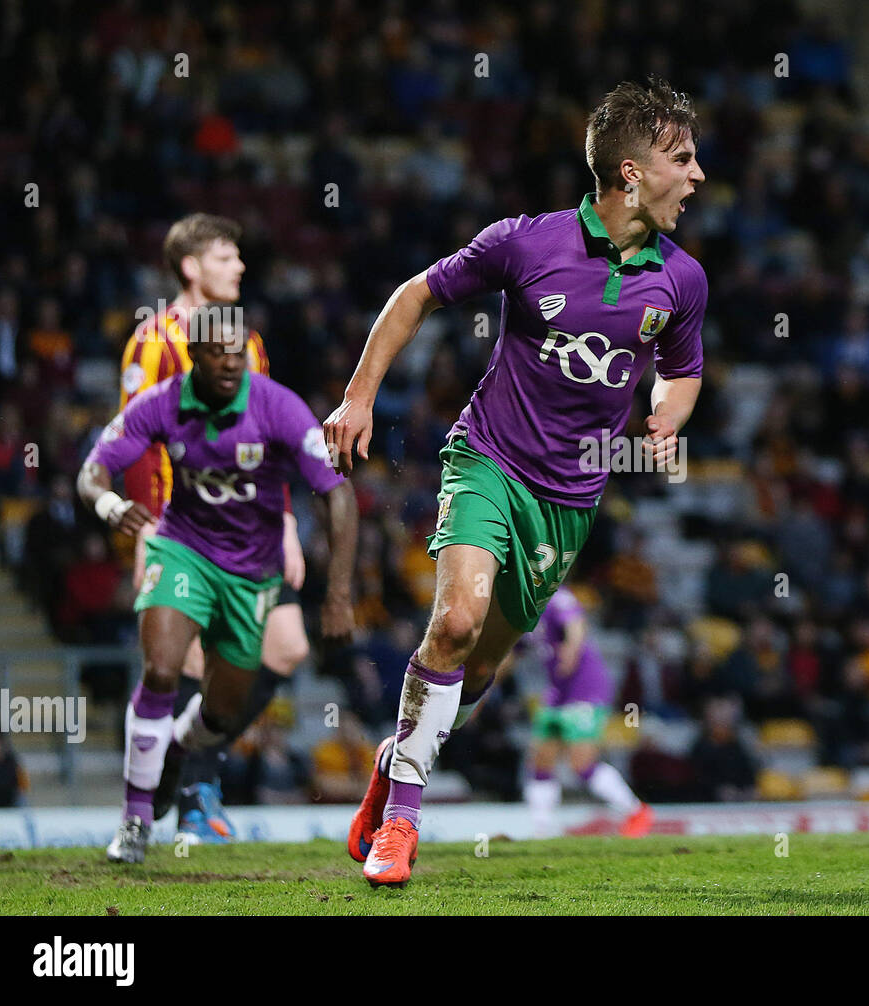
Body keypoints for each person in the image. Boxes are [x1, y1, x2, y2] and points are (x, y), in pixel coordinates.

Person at [327, 76, 706, 886]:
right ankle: (402, 826)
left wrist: (668, 417)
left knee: (479, 672)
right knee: (456, 623)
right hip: (488, 460)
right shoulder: (524, 243)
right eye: (683, 158)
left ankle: (398, 760)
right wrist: (359, 397)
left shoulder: (682, 281)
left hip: (569, 502)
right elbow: (413, 297)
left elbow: (682, 369)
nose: (699, 174)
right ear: (632, 174)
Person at [78, 312, 357, 863]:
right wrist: (110, 506)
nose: (232, 361)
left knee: (222, 712)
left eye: (239, 351)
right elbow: (93, 469)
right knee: (160, 669)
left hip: (253, 574)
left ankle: (179, 750)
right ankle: (135, 820)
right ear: (195, 356)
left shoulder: (278, 406)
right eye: (217, 351)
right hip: (182, 550)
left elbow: (337, 494)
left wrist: (339, 593)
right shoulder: (161, 402)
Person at [118, 213, 312, 842]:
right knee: (191, 662)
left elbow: (267, 438)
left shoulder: (245, 342)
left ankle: (184, 755)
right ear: (191, 267)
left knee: (287, 647)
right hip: (185, 532)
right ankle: (197, 797)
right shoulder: (153, 341)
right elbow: (137, 446)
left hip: (253, 529)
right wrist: (146, 530)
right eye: (227, 257)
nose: (240, 267)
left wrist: (284, 520)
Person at [523, 585, 653, 838]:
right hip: (558, 692)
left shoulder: (557, 596)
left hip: (585, 688)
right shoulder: (519, 610)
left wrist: (568, 658)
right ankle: (541, 829)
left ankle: (636, 811)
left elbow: (576, 628)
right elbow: (510, 655)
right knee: (541, 757)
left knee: (581, 762)